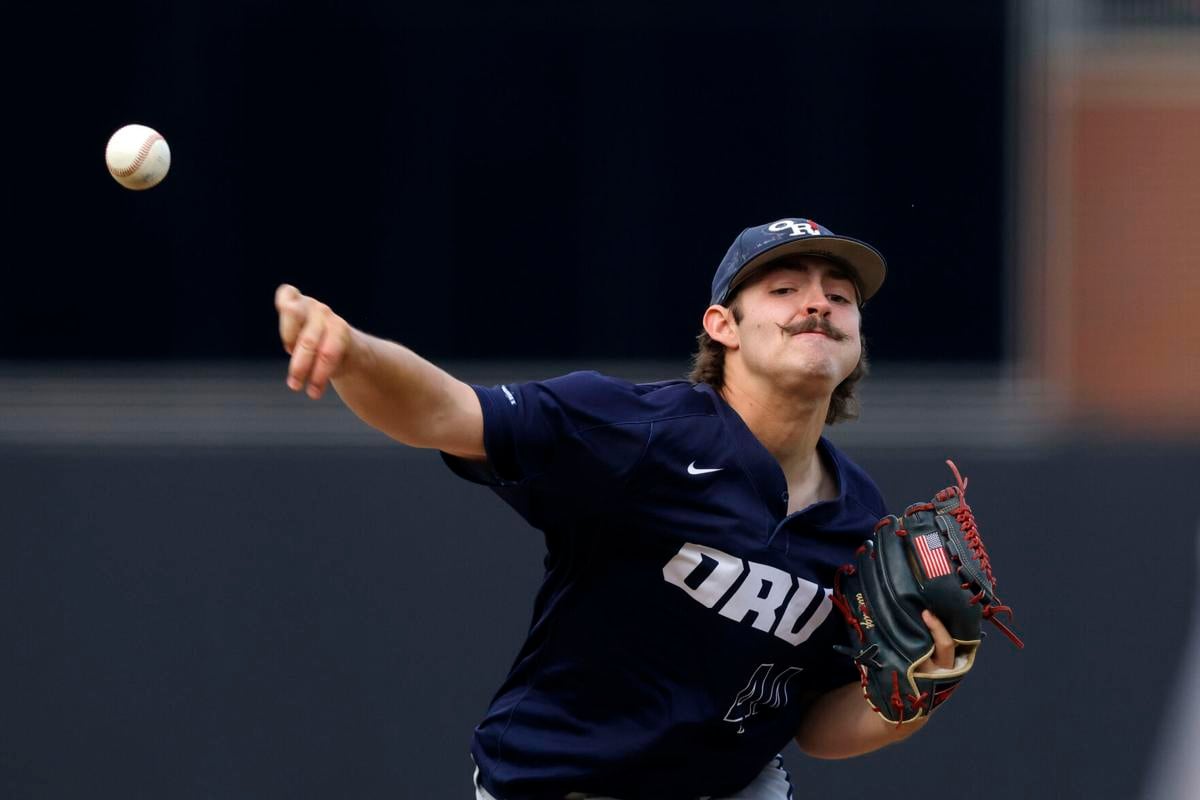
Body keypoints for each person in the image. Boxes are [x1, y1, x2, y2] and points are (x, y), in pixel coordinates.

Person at [274, 217, 957, 800]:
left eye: (839, 297)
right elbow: (448, 410)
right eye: (784, 290)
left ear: (858, 337)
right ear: (723, 325)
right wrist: (354, 352)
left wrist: (920, 690)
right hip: (557, 779)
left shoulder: (861, 520)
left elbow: (815, 724)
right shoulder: (640, 432)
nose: (817, 305)